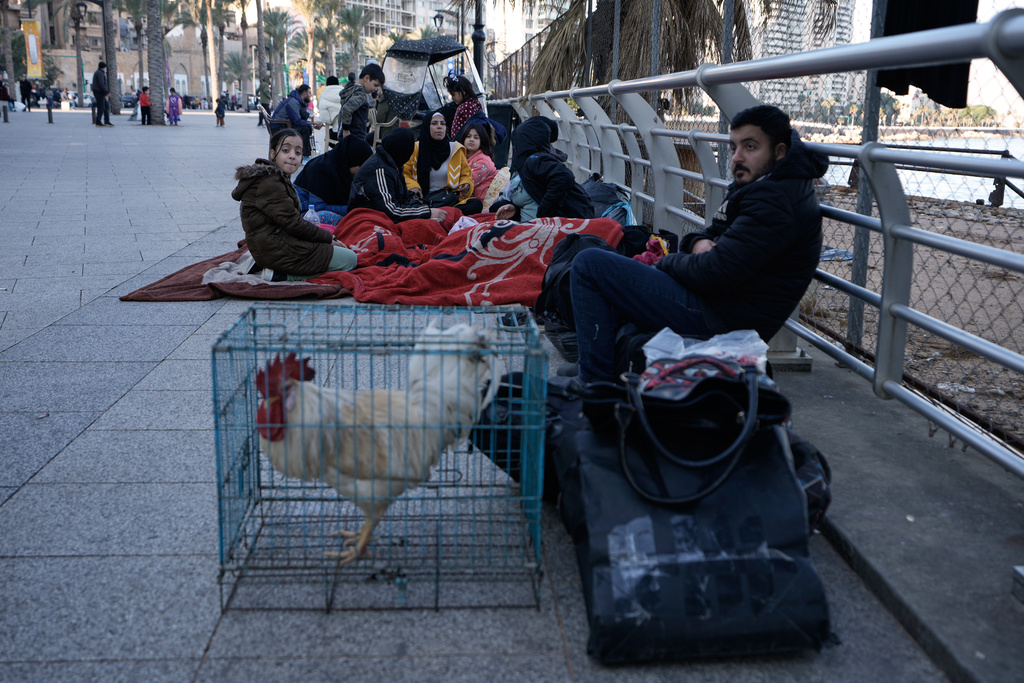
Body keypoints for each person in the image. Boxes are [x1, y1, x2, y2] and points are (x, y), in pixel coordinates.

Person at [569, 104, 828, 385]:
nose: (737, 158)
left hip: (721, 319)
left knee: (590, 265)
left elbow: (714, 273)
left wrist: (666, 262)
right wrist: (698, 247)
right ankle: (596, 359)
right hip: (715, 304)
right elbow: (699, 236)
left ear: (779, 152)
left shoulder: (775, 202)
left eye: (750, 147)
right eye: (734, 147)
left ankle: (595, 383)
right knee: (610, 265)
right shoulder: (763, 184)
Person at [233, 128, 358, 281]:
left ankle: (262, 263)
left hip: (272, 245)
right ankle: (280, 275)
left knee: (331, 248)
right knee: (350, 260)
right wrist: (328, 238)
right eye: (286, 150)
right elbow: (294, 223)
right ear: (273, 154)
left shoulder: (275, 177)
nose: (292, 156)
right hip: (277, 249)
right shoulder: (270, 183)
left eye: (298, 152)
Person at [491, 116, 594, 222]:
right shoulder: (530, 164)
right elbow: (534, 197)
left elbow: (564, 177)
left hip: (569, 223)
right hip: (534, 227)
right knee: (496, 208)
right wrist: (515, 211)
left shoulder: (535, 161)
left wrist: (545, 214)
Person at [348, 128, 448, 224]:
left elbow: (402, 198)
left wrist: (420, 204)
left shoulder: (394, 163)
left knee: (447, 214)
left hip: (383, 217)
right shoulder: (379, 169)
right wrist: (427, 212)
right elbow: (391, 211)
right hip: (366, 219)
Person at [404, 111, 482, 216]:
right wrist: (413, 186)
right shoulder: (416, 149)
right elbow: (404, 174)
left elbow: (466, 175)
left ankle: (440, 215)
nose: (439, 127)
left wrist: (466, 184)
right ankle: (441, 215)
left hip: (449, 201)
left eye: (443, 124)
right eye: (434, 123)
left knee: (475, 204)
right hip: (423, 202)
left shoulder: (455, 149)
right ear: (427, 126)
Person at [293, 133, 373, 215]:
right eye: (361, 167)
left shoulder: (342, 171)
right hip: (303, 214)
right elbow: (319, 209)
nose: (363, 171)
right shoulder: (321, 169)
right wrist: (355, 209)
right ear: (351, 161)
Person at [458, 120, 509, 208]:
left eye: (476, 137)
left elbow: (466, 182)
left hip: (480, 204)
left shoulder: (483, 161)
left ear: (482, 141)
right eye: (468, 136)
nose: (471, 140)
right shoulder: (461, 156)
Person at [270, 84, 323, 159]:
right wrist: (312, 124)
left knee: (307, 128)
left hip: (283, 125)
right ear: (304, 94)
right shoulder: (293, 102)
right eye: (309, 93)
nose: (311, 95)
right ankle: (305, 156)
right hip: (279, 128)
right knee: (305, 129)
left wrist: (311, 124)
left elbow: (301, 117)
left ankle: (305, 154)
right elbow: (297, 121)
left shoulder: (296, 101)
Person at [337, 63, 385, 143]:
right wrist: (346, 130)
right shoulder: (361, 94)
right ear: (366, 78)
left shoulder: (352, 90)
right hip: (354, 137)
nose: (376, 89)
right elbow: (346, 109)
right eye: (375, 85)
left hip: (348, 136)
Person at [444, 74, 481, 142]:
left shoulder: (467, 106)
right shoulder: (469, 104)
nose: (452, 98)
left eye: (453, 95)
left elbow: (473, 127)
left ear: (463, 92)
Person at [317, 75, 344, 150]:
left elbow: (325, 119)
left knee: (328, 135)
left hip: (336, 135)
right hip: (350, 132)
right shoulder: (345, 93)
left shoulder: (324, 95)